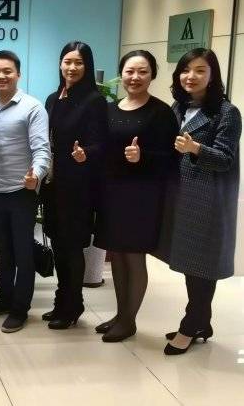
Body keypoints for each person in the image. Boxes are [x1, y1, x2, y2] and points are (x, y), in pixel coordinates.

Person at [94, 50, 178, 342]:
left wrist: (143, 157)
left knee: (133, 257)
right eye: (130, 71)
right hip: (112, 192)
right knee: (116, 255)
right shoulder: (110, 109)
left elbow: (172, 158)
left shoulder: (161, 112)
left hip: (142, 196)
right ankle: (121, 314)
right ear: (121, 74)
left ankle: (129, 321)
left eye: (142, 71)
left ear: (152, 75)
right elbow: (102, 149)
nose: (135, 77)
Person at [161, 48, 240, 355]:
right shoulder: (179, 107)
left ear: (212, 75)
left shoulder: (226, 112)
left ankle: (190, 324)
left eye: (200, 70)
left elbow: (225, 159)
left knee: (201, 267)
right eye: (185, 70)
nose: (190, 76)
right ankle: (202, 323)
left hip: (208, 200)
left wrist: (195, 149)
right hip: (182, 196)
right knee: (190, 265)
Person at [0, 50, 50, 333]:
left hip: (21, 191)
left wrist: (37, 173)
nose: (1, 76)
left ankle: (20, 308)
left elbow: (42, 149)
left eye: (7, 71)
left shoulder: (32, 107)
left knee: (23, 253)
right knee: (2, 251)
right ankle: (5, 299)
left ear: (18, 74)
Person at [42, 41, 107, 330]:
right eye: (67, 61)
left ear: (87, 66)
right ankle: (62, 300)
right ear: (60, 64)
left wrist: (85, 154)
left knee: (71, 248)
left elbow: (102, 143)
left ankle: (73, 304)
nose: (72, 67)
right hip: (53, 185)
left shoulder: (94, 101)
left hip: (78, 188)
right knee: (58, 245)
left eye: (78, 62)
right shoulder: (53, 98)